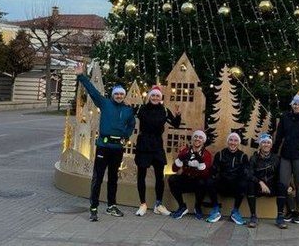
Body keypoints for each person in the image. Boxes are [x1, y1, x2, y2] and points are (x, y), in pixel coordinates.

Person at [75, 62, 136, 222]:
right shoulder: (105, 103)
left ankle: (111, 206)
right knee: (98, 177)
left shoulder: (128, 110)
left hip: (117, 148)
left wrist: (126, 134)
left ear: (124, 96)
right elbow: (93, 92)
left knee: (113, 178)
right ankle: (93, 208)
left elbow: (131, 124)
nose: (119, 96)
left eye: (121, 94)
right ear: (113, 95)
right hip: (103, 146)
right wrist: (81, 76)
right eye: (116, 94)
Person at [134, 85, 181, 217]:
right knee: (141, 175)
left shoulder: (164, 110)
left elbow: (176, 124)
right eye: (153, 95)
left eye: (157, 96)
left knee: (159, 176)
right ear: (149, 97)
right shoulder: (142, 109)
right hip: (143, 144)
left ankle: (158, 204)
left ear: (160, 98)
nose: (155, 98)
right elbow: (130, 117)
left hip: (157, 145)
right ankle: (142, 204)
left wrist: (178, 115)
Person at [273, 94, 299, 223]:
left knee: (298, 184)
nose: (297, 106)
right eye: (295, 104)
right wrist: (274, 151)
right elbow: (279, 136)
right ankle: (290, 209)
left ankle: (298, 212)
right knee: (284, 183)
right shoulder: (285, 117)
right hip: (286, 154)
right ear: (292, 105)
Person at [168, 130, 213, 220]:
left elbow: (205, 173)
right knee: (172, 179)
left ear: (203, 141)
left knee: (203, 182)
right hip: (186, 179)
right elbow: (174, 169)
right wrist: (181, 158)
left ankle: (198, 207)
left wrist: (199, 162)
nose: (197, 139)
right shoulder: (185, 151)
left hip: (198, 182)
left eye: (200, 138)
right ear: (192, 139)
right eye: (196, 137)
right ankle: (182, 206)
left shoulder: (207, 154)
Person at [206, 132, 249, 225]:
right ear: (227, 141)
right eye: (231, 140)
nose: (233, 143)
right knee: (209, 181)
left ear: (238, 143)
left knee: (244, 183)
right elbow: (214, 170)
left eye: (235, 140)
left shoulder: (243, 156)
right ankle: (216, 209)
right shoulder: (220, 154)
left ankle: (235, 211)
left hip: (235, 187)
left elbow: (245, 172)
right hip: (222, 184)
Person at [246, 133, 288, 229]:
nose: (266, 145)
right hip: (258, 187)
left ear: (271, 145)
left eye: (268, 143)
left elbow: (280, 175)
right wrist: (260, 183)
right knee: (249, 184)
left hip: (271, 187)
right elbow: (249, 174)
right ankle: (253, 216)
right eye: (263, 142)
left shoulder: (276, 158)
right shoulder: (254, 158)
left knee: (282, 185)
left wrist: (290, 185)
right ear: (260, 145)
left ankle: (280, 217)